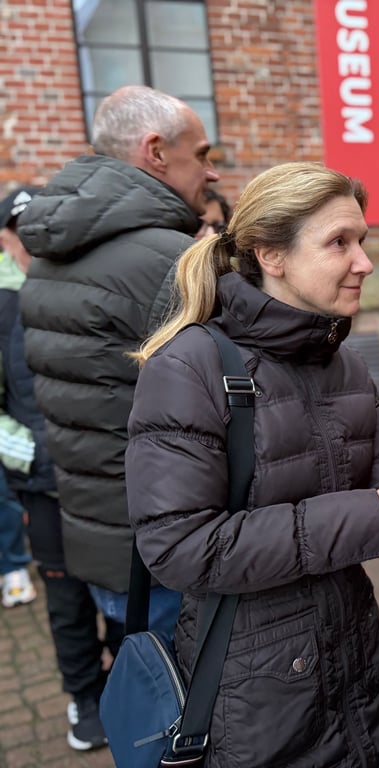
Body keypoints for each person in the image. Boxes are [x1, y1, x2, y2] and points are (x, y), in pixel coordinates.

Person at [124, 161, 379, 767]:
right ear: (271, 255)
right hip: (252, 692)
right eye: (339, 243)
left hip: (358, 665)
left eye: (362, 240)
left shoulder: (345, 363)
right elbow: (179, 547)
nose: (365, 262)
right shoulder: (189, 366)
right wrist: (370, 515)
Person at [16, 85, 220, 640]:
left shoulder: (46, 260)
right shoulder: (174, 263)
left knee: (143, 675)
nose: (212, 172)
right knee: (197, 689)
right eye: (201, 154)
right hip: (172, 551)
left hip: (102, 544)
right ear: (156, 151)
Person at [0, 186, 109, 751]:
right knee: (67, 601)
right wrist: (35, 457)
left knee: (122, 585)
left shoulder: (87, 285)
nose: (34, 239)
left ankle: (130, 680)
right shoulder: (2, 305)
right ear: (6, 239)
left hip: (107, 478)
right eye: (22, 230)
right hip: (46, 486)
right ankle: (85, 697)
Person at [0, 190, 35, 610]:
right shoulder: (4, 298)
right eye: (18, 229)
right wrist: (25, 449)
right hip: (26, 444)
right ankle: (13, 565)